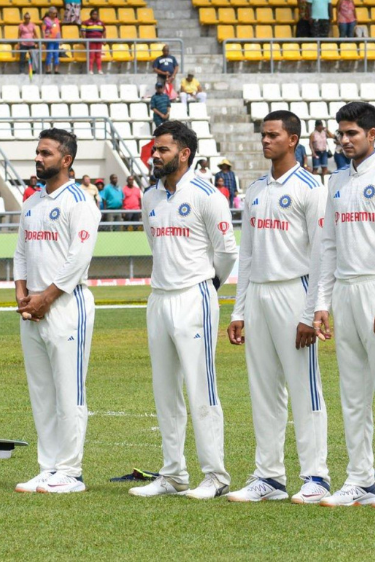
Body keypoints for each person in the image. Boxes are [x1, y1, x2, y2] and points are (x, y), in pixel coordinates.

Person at [310, 101, 375, 509]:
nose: (345, 139)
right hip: (344, 290)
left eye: (353, 133)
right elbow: (329, 246)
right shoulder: (335, 181)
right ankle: (359, 479)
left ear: (372, 134)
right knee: (352, 394)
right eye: (341, 133)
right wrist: (322, 301)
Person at [225, 111, 330, 505]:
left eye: (273, 135)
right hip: (259, 296)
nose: (265, 141)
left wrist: (312, 310)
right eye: (263, 135)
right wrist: (238, 311)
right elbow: (247, 254)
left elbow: (320, 253)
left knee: (305, 387)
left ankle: (316, 475)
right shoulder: (254, 190)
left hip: (295, 290)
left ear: (293, 139)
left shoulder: (309, 188)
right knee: (263, 388)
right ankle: (268, 476)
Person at [131, 120, 238, 500]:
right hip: (158, 297)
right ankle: (173, 474)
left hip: (195, 295)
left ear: (184, 153)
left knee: (200, 388)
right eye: (154, 149)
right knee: (165, 390)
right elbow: (153, 242)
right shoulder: (150, 197)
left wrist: (208, 287)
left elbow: (226, 252)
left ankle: (215, 475)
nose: (154, 155)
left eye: (162, 150)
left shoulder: (208, 195)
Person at [13, 128, 100, 495]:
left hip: (66, 304)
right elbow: (20, 253)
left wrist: (46, 297)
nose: (38, 159)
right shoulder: (32, 202)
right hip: (32, 307)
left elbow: (78, 259)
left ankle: (71, 471)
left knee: (69, 391)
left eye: (46, 153)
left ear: (66, 160)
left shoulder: (80, 201)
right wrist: (23, 296)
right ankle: (48, 467)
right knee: (42, 392)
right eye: (37, 152)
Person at [43, 7, 62, 74]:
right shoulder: (46, 19)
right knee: (49, 54)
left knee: (56, 54)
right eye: (53, 13)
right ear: (50, 13)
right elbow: (44, 29)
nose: (55, 15)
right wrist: (44, 39)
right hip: (49, 39)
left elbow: (58, 30)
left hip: (56, 39)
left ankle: (56, 69)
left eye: (55, 13)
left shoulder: (57, 20)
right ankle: (48, 69)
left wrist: (60, 39)